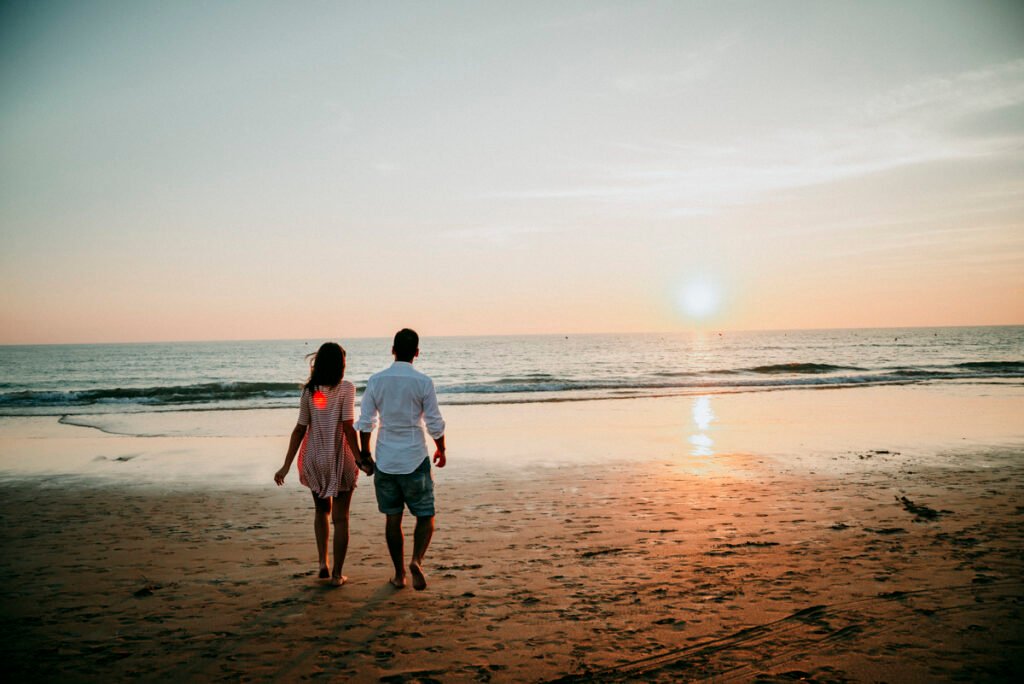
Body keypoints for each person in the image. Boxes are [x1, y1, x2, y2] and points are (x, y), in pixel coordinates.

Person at [356, 328, 446, 590]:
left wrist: (365, 455)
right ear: (417, 353)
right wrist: (441, 448)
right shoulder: (423, 382)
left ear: (392, 350)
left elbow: (365, 422)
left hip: (385, 459)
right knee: (426, 514)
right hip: (415, 458)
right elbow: (434, 423)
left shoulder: (376, 381)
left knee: (393, 519)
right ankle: (417, 560)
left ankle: (398, 575)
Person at [274, 342, 368, 587]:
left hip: (315, 459)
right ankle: (337, 574)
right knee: (341, 518)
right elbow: (348, 427)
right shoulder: (347, 388)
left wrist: (286, 465)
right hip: (340, 458)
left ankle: (322, 564)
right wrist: (360, 459)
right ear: (340, 365)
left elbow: (299, 429)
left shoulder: (310, 391)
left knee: (321, 511)